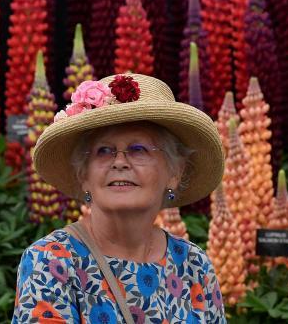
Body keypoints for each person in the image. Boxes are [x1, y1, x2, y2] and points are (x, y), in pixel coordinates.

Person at [12, 73, 227, 323]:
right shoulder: (52, 260)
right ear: (84, 175)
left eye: (138, 150)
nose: (120, 162)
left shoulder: (193, 264)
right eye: (104, 151)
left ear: (174, 173)